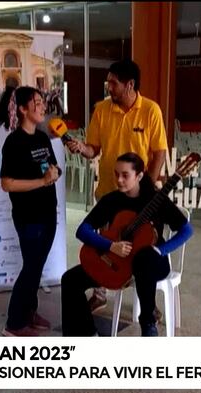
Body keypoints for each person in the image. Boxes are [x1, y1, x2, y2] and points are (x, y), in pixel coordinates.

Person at [66, 59, 168, 315]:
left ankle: (148, 302)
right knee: (105, 245)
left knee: (141, 247)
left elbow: (159, 152)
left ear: (129, 84)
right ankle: (99, 293)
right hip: (108, 195)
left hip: (139, 198)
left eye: (113, 83)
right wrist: (82, 149)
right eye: (108, 82)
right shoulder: (101, 109)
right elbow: (93, 149)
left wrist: (148, 189)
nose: (108, 87)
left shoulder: (151, 110)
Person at [61, 153, 193, 337]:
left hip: (152, 262)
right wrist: (110, 246)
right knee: (70, 280)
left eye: (125, 175)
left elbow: (187, 230)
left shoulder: (157, 200)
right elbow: (82, 230)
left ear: (139, 176)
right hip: (117, 263)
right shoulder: (112, 200)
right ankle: (86, 335)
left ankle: (148, 323)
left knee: (144, 258)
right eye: (116, 174)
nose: (119, 180)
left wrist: (160, 250)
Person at [0, 86, 61, 337]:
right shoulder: (14, 142)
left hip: (48, 212)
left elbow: (53, 167)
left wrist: (54, 173)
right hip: (29, 217)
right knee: (31, 268)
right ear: (23, 109)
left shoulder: (42, 138)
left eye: (43, 101)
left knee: (36, 266)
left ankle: (29, 311)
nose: (43, 106)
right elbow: (7, 183)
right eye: (37, 102)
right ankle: (13, 324)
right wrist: (42, 181)